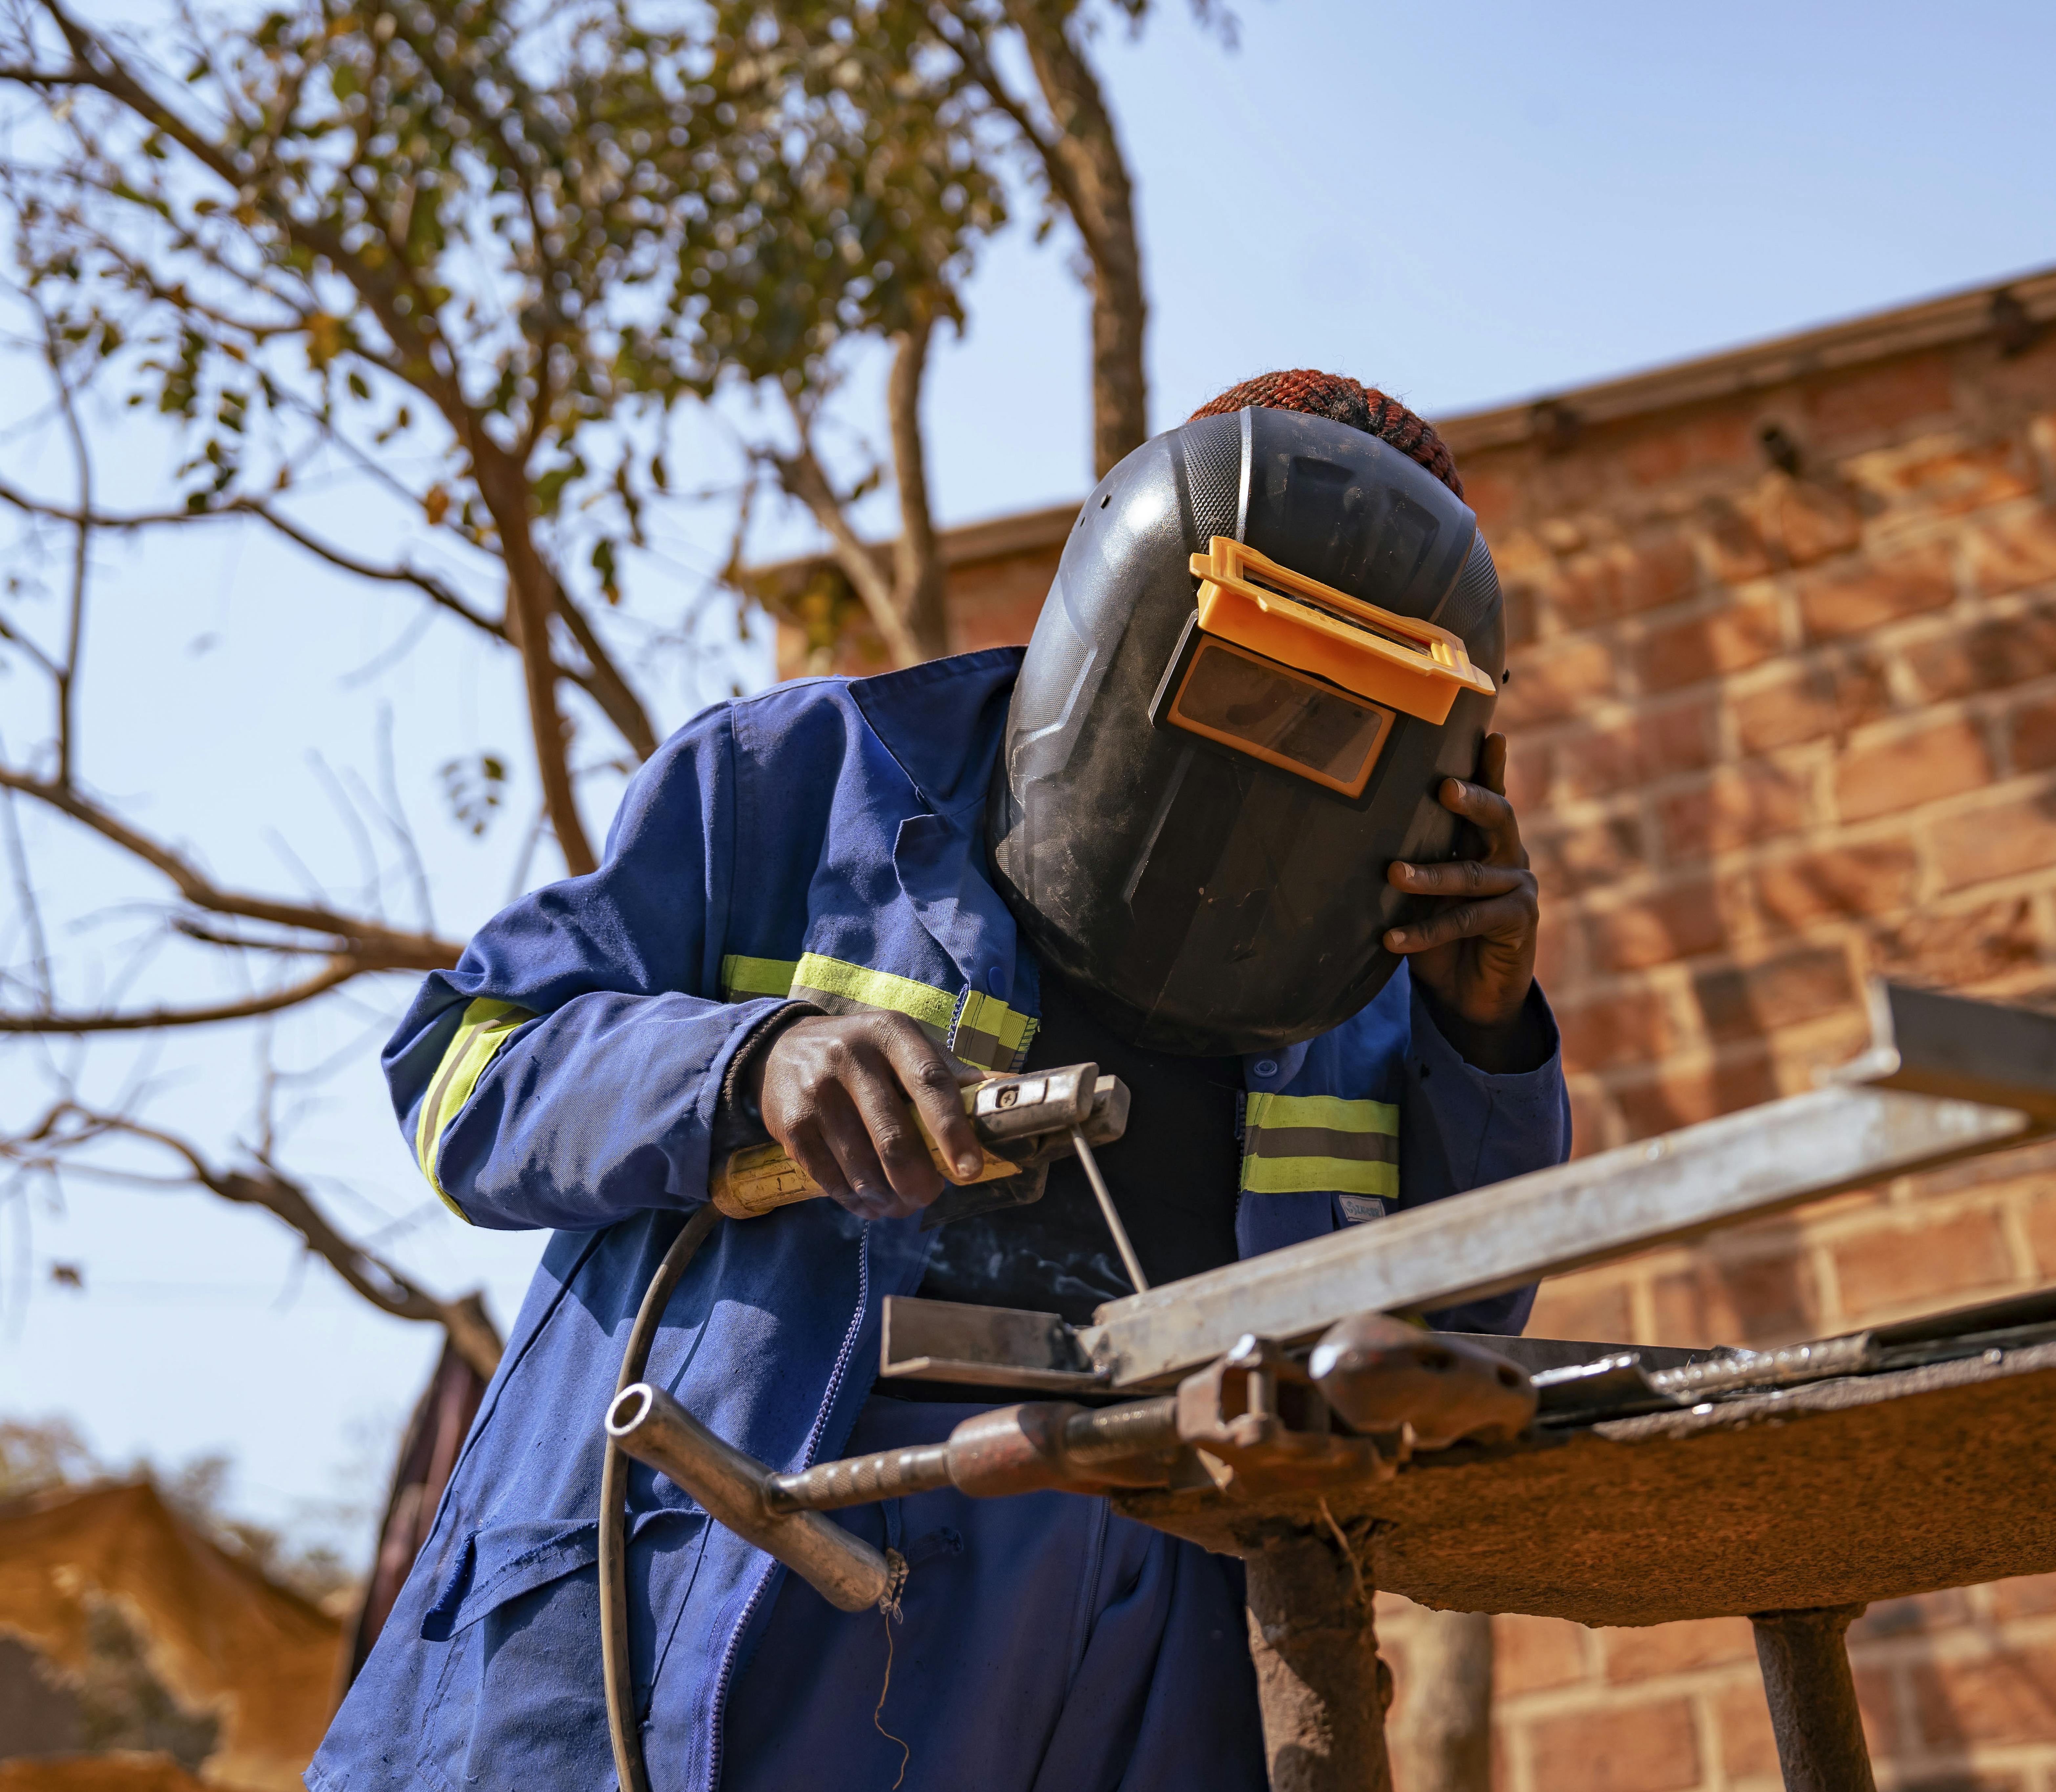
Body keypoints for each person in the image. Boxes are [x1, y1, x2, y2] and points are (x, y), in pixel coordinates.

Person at [307, 371, 1570, 1792]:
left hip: (1110, 1681)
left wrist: (1486, 1048)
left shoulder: (1382, 980)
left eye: (1348, 714)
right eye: (1250, 671)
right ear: (1136, 597)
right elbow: (463, 1069)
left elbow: (1438, 1351)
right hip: (704, 1619)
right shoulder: (790, 785)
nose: (1281, 742)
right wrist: (744, 1063)